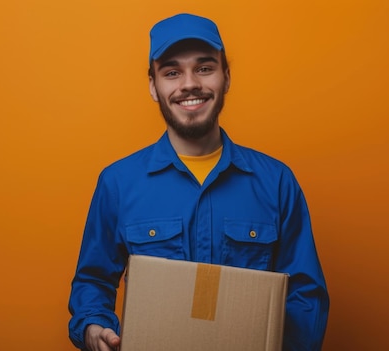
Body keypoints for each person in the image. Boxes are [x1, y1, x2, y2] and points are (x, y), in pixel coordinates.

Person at [68, 13, 329, 351]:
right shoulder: (117, 183)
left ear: (226, 77)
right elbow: (92, 281)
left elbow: (306, 295)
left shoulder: (276, 181)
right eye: (172, 72)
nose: (189, 83)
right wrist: (93, 328)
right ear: (153, 86)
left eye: (204, 68)